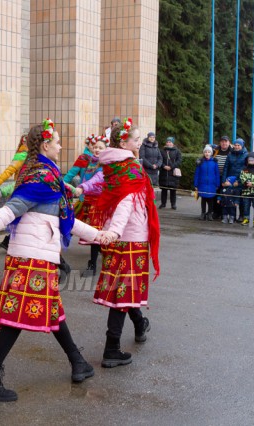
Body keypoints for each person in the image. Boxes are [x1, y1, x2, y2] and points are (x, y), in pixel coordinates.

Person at [0, 119, 105, 402]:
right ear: (46, 144)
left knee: (51, 310)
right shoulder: (41, 177)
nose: (61, 146)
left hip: (34, 254)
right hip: (32, 258)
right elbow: (8, 212)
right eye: (58, 141)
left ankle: (78, 362)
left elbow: (65, 220)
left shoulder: (43, 174)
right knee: (17, 318)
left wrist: (100, 236)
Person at [92, 118, 160, 369]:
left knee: (124, 290)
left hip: (120, 235)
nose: (140, 142)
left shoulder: (113, 164)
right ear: (123, 141)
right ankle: (111, 349)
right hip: (129, 237)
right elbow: (126, 202)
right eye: (136, 139)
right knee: (122, 294)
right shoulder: (129, 167)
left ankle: (140, 323)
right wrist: (116, 231)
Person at [72, 135, 108, 276]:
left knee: (95, 233)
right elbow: (80, 176)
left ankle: (92, 265)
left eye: (101, 147)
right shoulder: (90, 163)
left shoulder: (104, 166)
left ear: (106, 150)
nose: (97, 149)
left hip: (99, 204)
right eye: (95, 147)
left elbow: (95, 181)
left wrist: (81, 187)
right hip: (87, 201)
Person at [222, 138, 248, 221]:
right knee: (231, 198)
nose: (236, 147)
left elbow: (247, 169)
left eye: (238, 145)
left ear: (242, 146)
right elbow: (226, 168)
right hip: (230, 180)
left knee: (241, 199)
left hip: (240, 180)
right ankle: (232, 215)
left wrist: (240, 181)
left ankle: (241, 215)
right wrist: (224, 180)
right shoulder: (230, 154)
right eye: (235, 145)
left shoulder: (246, 155)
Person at [193, 145, 219, 221]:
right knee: (203, 200)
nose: (207, 153)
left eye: (208, 152)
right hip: (202, 184)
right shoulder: (200, 162)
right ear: (204, 153)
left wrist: (217, 183)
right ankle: (203, 213)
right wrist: (196, 184)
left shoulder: (214, 162)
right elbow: (197, 174)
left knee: (211, 200)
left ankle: (210, 213)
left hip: (212, 184)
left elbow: (216, 174)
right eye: (206, 152)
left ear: (211, 153)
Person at [239, 152, 254, 227]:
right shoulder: (244, 169)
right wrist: (246, 183)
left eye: (252, 160)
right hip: (246, 191)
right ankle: (246, 218)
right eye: (249, 160)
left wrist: (253, 183)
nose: (251, 161)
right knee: (246, 205)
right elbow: (242, 178)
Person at [212, 136, 232, 219]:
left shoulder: (232, 151)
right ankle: (216, 212)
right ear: (220, 143)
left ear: (229, 142)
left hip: (227, 177)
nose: (224, 143)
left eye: (225, 141)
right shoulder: (215, 151)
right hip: (216, 176)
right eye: (222, 141)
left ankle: (224, 213)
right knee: (215, 195)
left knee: (225, 195)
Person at [159, 136, 182, 209]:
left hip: (173, 173)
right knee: (164, 190)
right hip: (164, 173)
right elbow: (159, 159)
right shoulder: (162, 151)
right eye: (168, 142)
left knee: (173, 191)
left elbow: (179, 160)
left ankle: (173, 204)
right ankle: (163, 204)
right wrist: (163, 166)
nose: (169, 143)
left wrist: (171, 167)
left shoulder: (177, 151)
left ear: (173, 143)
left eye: (170, 142)